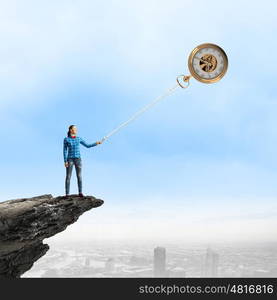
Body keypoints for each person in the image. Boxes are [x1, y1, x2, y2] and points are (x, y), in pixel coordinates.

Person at [63, 125, 102, 197]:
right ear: (71, 130)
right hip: (70, 159)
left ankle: (80, 192)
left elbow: (87, 145)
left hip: (78, 159)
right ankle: (67, 194)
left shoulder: (79, 138)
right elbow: (65, 150)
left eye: (76, 129)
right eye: (74, 129)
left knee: (79, 176)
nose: (76, 130)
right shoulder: (66, 139)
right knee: (68, 176)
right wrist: (65, 161)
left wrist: (96, 143)